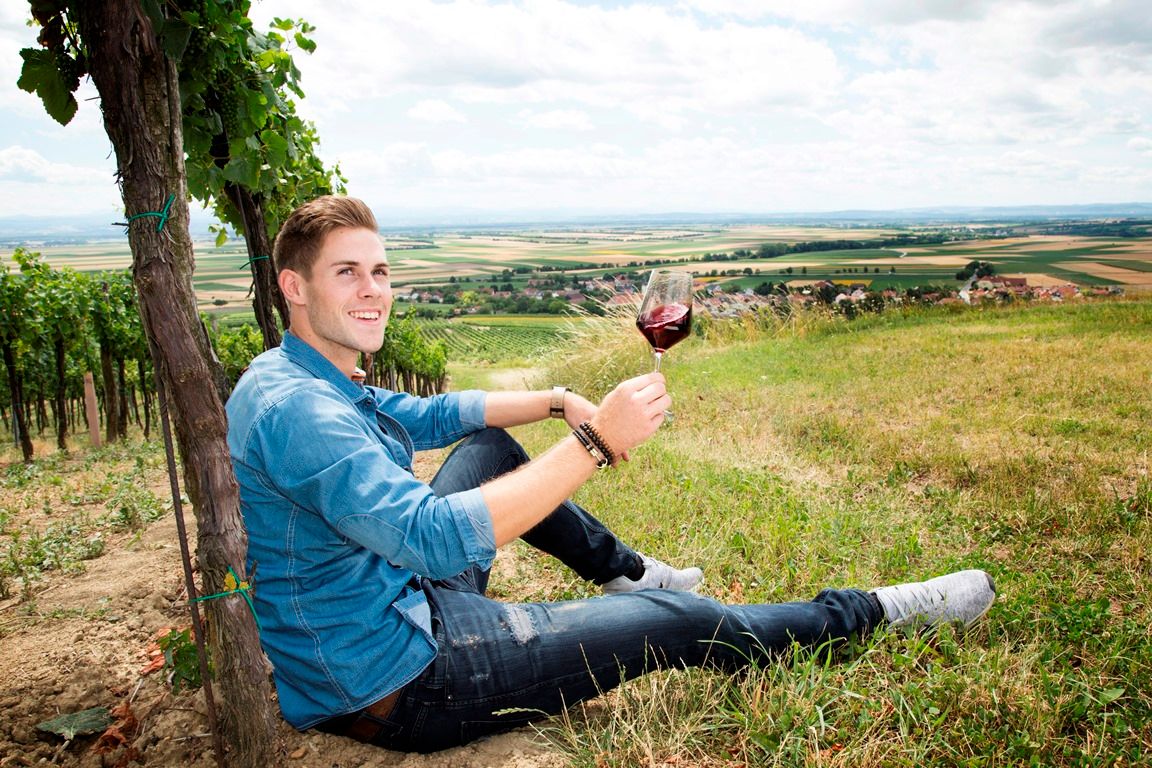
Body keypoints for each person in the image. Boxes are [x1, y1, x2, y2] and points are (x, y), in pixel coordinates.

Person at [225, 195, 997, 753]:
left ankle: (629, 573)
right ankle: (880, 609)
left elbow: (429, 414)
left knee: (490, 448)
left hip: (392, 605)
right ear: (295, 287)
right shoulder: (300, 411)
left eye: (381, 270)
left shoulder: (299, 373)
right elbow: (429, 539)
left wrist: (557, 400)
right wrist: (593, 442)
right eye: (347, 273)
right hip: (404, 682)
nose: (373, 291)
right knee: (682, 627)